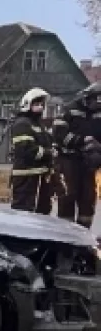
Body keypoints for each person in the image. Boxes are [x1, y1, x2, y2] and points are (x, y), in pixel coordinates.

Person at [51, 82, 101, 229]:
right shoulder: (69, 110)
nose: (98, 104)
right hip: (68, 161)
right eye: (97, 100)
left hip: (89, 163)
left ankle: (84, 234)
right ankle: (66, 236)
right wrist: (82, 140)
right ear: (87, 98)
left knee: (88, 198)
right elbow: (59, 134)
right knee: (68, 196)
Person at [9, 88, 55, 214]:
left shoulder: (39, 124)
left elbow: (47, 142)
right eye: (36, 104)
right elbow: (26, 151)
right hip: (25, 177)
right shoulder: (22, 124)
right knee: (24, 212)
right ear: (27, 104)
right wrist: (49, 153)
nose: (40, 107)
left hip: (40, 175)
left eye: (42, 104)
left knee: (42, 213)